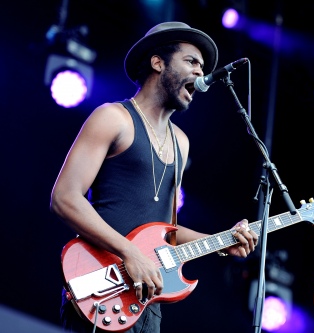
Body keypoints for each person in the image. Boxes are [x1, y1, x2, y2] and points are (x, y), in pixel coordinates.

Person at [50, 21, 259, 333]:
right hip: (102, 288)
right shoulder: (113, 118)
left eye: (202, 68)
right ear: (158, 62)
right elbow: (64, 198)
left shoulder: (182, 143)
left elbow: (167, 233)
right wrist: (129, 252)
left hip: (147, 304)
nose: (200, 74)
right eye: (191, 62)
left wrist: (223, 241)